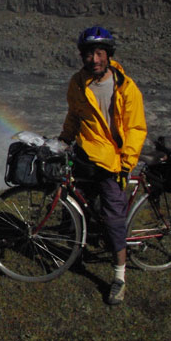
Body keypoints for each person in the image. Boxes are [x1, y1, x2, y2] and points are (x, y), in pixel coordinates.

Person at [58, 26, 147, 305]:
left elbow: (135, 127)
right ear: (82, 56)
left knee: (113, 220)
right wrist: (63, 139)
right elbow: (75, 114)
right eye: (89, 54)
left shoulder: (126, 87)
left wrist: (126, 163)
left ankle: (119, 278)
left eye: (99, 53)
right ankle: (81, 245)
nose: (94, 59)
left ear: (108, 55)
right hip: (86, 154)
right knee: (77, 200)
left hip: (113, 162)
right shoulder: (77, 83)